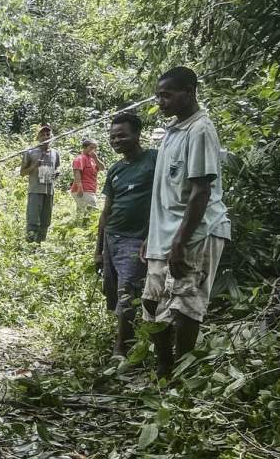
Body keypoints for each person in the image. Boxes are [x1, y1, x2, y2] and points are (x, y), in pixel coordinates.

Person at [142, 66, 231, 378]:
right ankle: (164, 370)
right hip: (164, 234)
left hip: (196, 233)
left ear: (190, 92)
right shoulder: (172, 131)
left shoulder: (200, 130)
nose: (161, 101)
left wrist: (180, 240)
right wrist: (151, 237)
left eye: (167, 95)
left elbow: (201, 190)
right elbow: (165, 194)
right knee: (152, 303)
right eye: (159, 96)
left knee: (186, 305)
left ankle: (181, 376)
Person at [95, 112, 157, 356]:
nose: (116, 140)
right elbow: (106, 212)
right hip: (112, 238)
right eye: (112, 137)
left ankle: (121, 351)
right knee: (114, 292)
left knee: (127, 293)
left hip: (137, 239)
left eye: (122, 135)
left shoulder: (154, 159)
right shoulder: (115, 169)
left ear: (137, 134)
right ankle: (126, 342)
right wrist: (98, 250)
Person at [20, 124, 60, 242]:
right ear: (37, 137)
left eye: (48, 134)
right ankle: (29, 245)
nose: (45, 137)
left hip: (49, 191)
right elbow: (22, 172)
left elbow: (57, 167)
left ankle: (40, 245)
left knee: (46, 221)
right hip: (35, 190)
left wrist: (57, 172)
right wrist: (34, 166)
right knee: (33, 220)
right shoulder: (30, 152)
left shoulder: (55, 153)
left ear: (51, 136)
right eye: (42, 134)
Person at [70, 138, 104, 217]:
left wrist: (96, 158)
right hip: (83, 190)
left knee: (83, 214)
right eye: (91, 148)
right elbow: (76, 173)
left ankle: (79, 227)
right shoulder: (80, 158)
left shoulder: (93, 159)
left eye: (95, 148)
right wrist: (80, 188)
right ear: (85, 148)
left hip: (90, 190)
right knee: (93, 212)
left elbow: (102, 168)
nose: (93, 150)